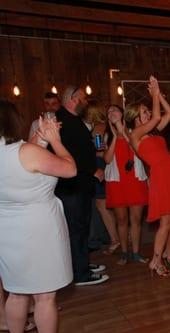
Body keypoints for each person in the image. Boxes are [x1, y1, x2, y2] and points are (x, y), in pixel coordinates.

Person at [0, 100, 75, 333]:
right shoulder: (25, 152)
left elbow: (25, 155)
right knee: (45, 295)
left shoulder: (16, 151)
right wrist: (55, 140)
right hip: (39, 228)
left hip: (7, 229)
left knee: (16, 292)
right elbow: (70, 168)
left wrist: (40, 135)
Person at [128, 77, 170, 277]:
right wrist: (154, 94)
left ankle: (168, 253)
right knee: (166, 221)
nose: (148, 113)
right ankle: (155, 261)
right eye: (144, 111)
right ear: (135, 118)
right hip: (160, 176)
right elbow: (157, 117)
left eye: (148, 110)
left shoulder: (154, 132)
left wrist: (158, 96)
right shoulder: (135, 135)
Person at [51, 86, 109, 285]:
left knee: (82, 229)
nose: (86, 103)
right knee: (76, 230)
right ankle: (80, 274)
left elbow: (81, 149)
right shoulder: (60, 121)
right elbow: (67, 155)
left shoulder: (72, 120)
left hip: (81, 185)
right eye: (83, 99)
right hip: (71, 187)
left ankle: (81, 264)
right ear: (73, 99)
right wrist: (92, 170)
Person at [104, 104, 149, 264]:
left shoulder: (133, 132)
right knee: (121, 220)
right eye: (109, 111)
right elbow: (107, 159)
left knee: (136, 219)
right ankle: (124, 252)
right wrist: (115, 135)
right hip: (117, 182)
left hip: (135, 179)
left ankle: (136, 253)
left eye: (114, 110)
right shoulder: (107, 136)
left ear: (122, 114)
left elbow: (139, 152)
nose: (111, 112)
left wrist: (122, 131)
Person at [83, 101, 119, 255]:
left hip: (100, 165)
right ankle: (116, 237)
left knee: (102, 205)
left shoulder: (98, 128)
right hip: (104, 165)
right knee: (106, 204)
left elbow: (99, 152)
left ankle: (115, 239)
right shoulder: (106, 127)